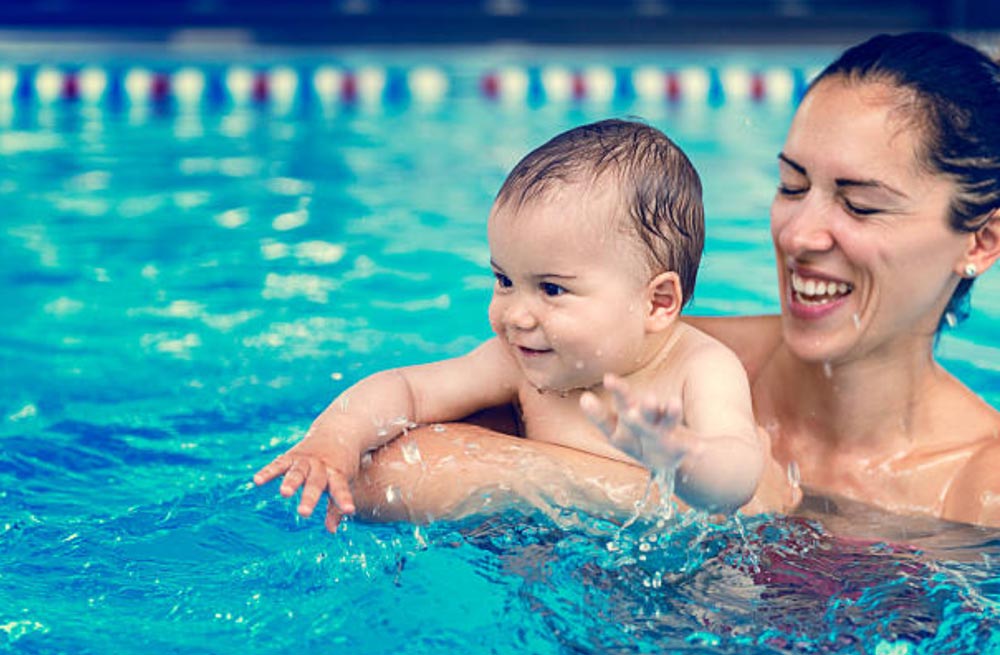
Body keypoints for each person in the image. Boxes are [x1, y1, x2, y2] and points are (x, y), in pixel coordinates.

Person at [313, 31, 1000, 531]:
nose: (797, 233)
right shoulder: (631, 351)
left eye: (859, 203)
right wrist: (646, 494)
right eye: (792, 186)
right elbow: (389, 474)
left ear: (981, 240)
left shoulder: (979, 492)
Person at [254, 119, 765, 531]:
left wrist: (682, 457)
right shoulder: (519, 359)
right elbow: (408, 389)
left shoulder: (699, 368)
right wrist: (334, 439)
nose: (514, 315)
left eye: (551, 289)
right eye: (503, 280)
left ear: (657, 302)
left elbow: (738, 474)